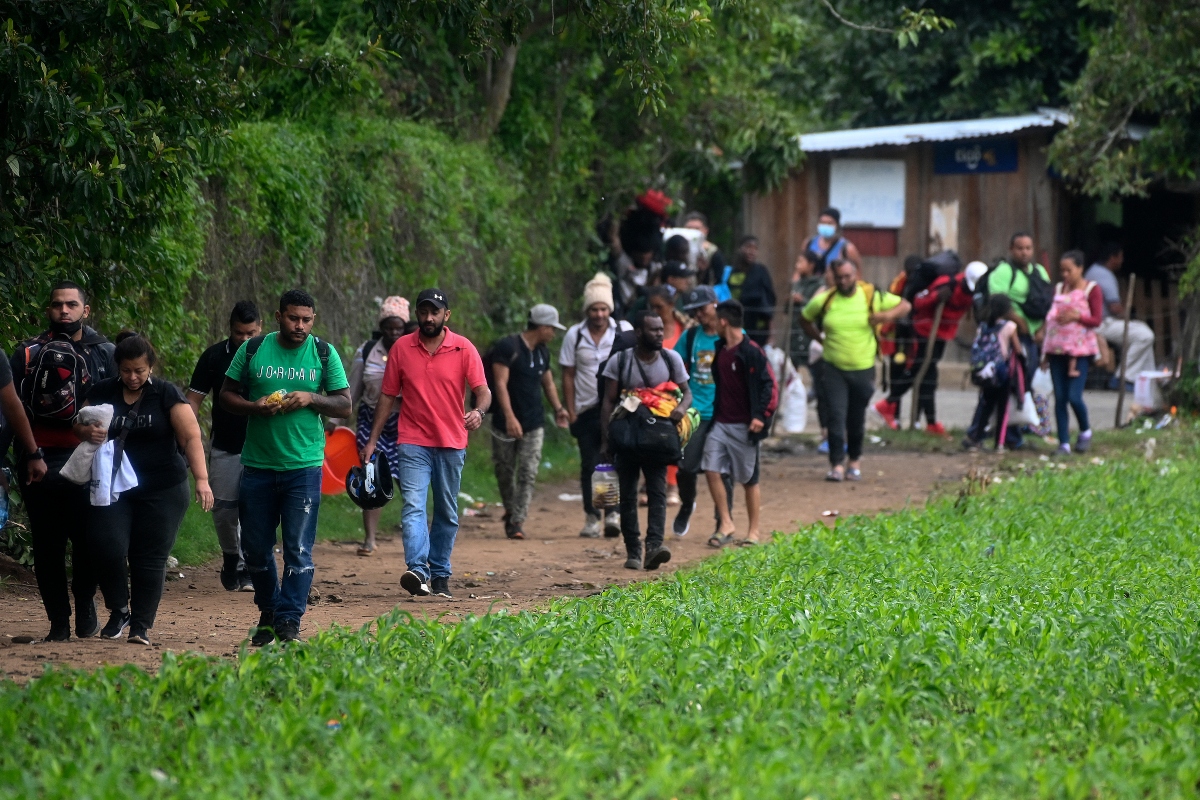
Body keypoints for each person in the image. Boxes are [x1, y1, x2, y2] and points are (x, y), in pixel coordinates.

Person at [221, 289, 352, 645]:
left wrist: (312, 397)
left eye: (307, 319)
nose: (300, 326)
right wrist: (255, 406)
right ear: (278, 317)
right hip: (258, 465)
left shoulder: (324, 353)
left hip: (304, 466)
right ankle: (269, 608)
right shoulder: (253, 349)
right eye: (293, 318)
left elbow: (344, 405)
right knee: (256, 548)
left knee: (298, 549)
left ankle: (289, 620)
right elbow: (227, 395)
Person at [81, 331, 214, 646]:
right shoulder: (102, 392)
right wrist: (86, 431)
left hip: (163, 487)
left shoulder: (166, 394)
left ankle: (140, 626)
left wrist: (202, 479)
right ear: (118, 367)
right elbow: (78, 423)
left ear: (150, 367)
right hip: (115, 488)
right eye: (126, 370)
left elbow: (191, 437)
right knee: (107, 545)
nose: (132, 377)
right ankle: (119, 609)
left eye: (139, 370)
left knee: (149, 557)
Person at [361, 288, 489, 600]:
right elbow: (388, 396)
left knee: (446, 510)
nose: (428, 317)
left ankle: (440, 571)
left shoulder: (463, 348)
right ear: (416, 315)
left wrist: (478, 411)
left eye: (435, 312)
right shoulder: (403, 349)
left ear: (447, 315)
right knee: (414, 506)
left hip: (451, 441)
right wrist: (372, 440)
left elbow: (482, 389)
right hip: (412, 441)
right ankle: (418, 569)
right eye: (423, 312)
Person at [9, 281, 111, 641]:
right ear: (48, 310)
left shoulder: (106, 354)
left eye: (71, 305)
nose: (63, 311)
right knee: (47, 545)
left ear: (86, 310)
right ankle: (58, 623)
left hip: (88, 462)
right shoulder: (26, 353)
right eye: (56, 305)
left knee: (88, 541)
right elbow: (9, 409)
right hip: (36, 459)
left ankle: (84, 604)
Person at [800, 259, 910, 482]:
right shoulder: (826, 299)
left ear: (856, 275)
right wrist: (819, 338)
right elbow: (805, 318)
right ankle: (836, 465)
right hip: (833, 368)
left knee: (856, 418)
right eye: (839, 277)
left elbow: (905, 306)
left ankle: (855, 461)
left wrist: (885, 316)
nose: (843, 281)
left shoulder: (871, 296)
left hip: (863, 368)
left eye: (847, 276)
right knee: (836, 416)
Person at [600, 310, 692, 571]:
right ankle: (633, 550)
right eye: (654, 330)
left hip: (659, 438)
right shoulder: (621, 361)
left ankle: (653, 547)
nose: (660, 334)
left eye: (661, 329)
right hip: (628, 436)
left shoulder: (670, 359)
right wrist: (605, 442)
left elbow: (687, 393)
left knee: (657, 492)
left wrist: (681, 409)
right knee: (628, 494)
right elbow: (608, 401)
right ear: (639, 333)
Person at [186, 300, 263, 590]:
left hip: (265, 446)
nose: (245, 339)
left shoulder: (272, 355)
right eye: (239, 333)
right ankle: (231, 556)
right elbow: (192, 401)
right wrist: (187, 434)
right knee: (225, 509)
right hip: (227, 444)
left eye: (251, 333)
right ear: (230, 329)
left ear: (261, 328)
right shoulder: (214, 356)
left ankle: (249, 568)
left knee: (256, 510)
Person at [560, 273, 633, 538]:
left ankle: (612, 512)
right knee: (589, 464)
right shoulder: (574, 335)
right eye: (594, 309)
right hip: (586, 409)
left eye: (603, 309)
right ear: (587, 311)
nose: (599, 314)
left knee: (614, 461)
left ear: (609, 310)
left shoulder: (623, 331)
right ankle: (592, 516)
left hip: (617, 408)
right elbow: (568, 373)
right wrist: (570, 409)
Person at [491, 304, 570, 540]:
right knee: (504, 470)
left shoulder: (543, 352)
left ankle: (516, 520)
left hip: (534, 422)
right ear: (542, 327)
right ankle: (510, 507)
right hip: (505, 422)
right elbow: (499, 384)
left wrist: (558, 408)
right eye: (552, 329)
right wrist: (509, 417)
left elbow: (547, 383)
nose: (553, 334)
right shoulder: (508, 348)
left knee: (528, 471)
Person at [704, 300, 777, 548]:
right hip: (721, 423)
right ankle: (726, 522)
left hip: (744, 427)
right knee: (711, 469)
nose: (712, 324)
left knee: (749, 480)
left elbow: (769, 386)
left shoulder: (752, 352)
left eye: (715, 319)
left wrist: (760, 416)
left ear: (723, 321)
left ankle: (753, 531)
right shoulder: (720, 350)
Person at [875, 264, 973, 434]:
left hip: (944, 334)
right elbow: (919, 301)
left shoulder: (975, 291)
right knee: (919, 369)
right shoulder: (946, 283)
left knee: (929, 376)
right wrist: (936, 297)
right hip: (926, 331)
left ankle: (930, 422)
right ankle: (888, 404)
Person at [346, 296, 410, 556]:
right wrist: (335, 420)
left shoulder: (413, 349)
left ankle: (416, 538)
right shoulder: (368, 350)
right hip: (371, 420)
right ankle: (370, 539)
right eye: (389, 327)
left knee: (409, 480)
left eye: (399, 328)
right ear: (381, 326)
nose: (394, 333)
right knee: (371, 476)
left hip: (405, 422)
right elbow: (354, 387)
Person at [672, 286, 734, 537]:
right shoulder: (690, 337)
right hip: (696, 412)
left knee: (722, 470)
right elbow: (672, 364)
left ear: (715, 304)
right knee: (686, 467)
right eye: (694, 311)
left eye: (703, 308)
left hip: (724, 413)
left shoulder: (731, 335)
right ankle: (687, 504)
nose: (699, 314)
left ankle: (723, 522)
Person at [985, 233, 1051, 450]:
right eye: (1020, 248)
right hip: (1013, 335)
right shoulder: (1003, 272)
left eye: (1028, 248)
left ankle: (1020, 428)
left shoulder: (1039, 272)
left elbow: (1047, 300)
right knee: (1013, 382)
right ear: (1011, 249)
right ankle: (1007, 433)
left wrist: (1042, 328)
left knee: (1027, 381)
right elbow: (999, 302)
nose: (1025, 252)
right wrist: (1020, 322)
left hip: (1035, 335)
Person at [1041, 250, 1103, 454]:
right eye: (1062, 270)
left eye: (1069, 270)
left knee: (1074, 396)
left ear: (1080, 268)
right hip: (1057, 350)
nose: (1065, 275)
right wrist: (1045, 352)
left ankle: (1085, 431)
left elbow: (1096, 320)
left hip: (1080, 352)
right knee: (1059, 398)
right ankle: (1064, 443)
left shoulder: (1092, 290)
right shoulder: (1058, 289)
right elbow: (1050, 320)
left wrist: (1077, 317)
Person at [646, 286, 694, 507]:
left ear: (671, 306)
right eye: (652, 307)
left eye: (660, 307)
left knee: (673, 437)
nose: (656, 311)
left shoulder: (684, 329)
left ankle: (672, 484)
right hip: (650, 392)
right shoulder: (645, 330)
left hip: (675, 391)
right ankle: (650, 484)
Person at [1086, 243, 1156, 384]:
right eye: (1121, 257)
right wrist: (1128, 318)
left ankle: (1148, 379)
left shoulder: (1093, 270)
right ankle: (1122, 378)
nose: (1122, 260)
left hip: (1099, 322)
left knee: (1143, 334)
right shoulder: (1104, 275)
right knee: (1145, 336)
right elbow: (1115, 307)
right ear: (1113, 258)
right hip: (1102, 324)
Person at [963, 295, 1024, 450]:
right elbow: (1018, 349)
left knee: (985, 405)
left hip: (985, 373)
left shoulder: (982, 326)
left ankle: (975, 438)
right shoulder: (1009, 326)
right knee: (1003, 408)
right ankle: (999, 443)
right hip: (1001, 373)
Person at [728, 236, 776, 346]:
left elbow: (770, 300)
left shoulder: (761, 271)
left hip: (758, 327)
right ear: (740, 249)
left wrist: (771, 334)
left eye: (755, 248)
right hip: (737, 323)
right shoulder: (732, 272)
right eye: (748, 247)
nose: (752, 251)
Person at [803, 208, 863, 274]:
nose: (825, 226)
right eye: (822, 222)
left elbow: (857, 273)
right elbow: (800, 267)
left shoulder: (847, 248)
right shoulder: (809, 243)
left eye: (829, 223)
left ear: (837, 225)